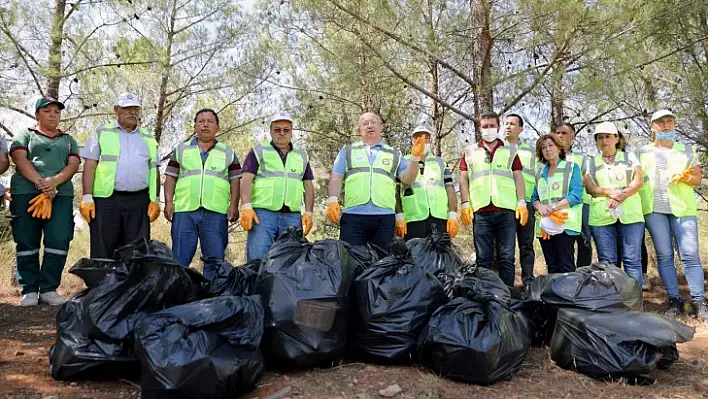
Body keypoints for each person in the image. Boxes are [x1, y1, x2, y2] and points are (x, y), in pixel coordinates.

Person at [9, 98, 80, 306]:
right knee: (26, 239)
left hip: (60, 194)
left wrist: (53, 183)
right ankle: (29, 290)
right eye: (47, 111)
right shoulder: (25, 134)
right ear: (37, 114)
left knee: (59, 238)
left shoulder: (68, 139)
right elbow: (19, 159)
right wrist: (41, 183)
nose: (52, 115)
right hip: (26, 192)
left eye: (56, 112)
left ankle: (49, 289)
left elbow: (73, 163)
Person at [638, 109, 706, 319]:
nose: (666, 125)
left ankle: (699, 301)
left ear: (674, 125)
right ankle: (674, 300)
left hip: (682, 209)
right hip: (654, 209)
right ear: (653, 127)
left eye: (670, 122)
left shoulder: (686, 150)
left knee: (690, 255)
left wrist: (684, 176)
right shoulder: (642, 152)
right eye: (661, 122)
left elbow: (697, 179)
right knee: (665, 256)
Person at [327, 112, 424, 250]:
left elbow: (408, 179)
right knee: (351, 262)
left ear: (381, 127)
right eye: (365, 123)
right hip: (353, 216)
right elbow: (336, 177)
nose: (369, 126)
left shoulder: (394, 153)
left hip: (384, 218)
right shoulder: (347, 151)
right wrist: (332, 200)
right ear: (359, 130)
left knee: (382, 264)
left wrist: (415, 158)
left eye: (373, 122)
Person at [80, 93, 161, 259]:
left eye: (135, 109)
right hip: (106, 201)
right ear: (116, 110)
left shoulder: (148, 138)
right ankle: (102, 284)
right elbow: (90, 165)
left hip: (139, 201)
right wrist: (87, 197)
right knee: (103, 249)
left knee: (137, 252)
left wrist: (155, 199)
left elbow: (154, 169)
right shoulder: (101, 132)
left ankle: (132, 285)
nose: (132, 112)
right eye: (126, 108)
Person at [163, 109, 241, 276]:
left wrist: (234, 205)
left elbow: (235, 181)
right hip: (185, 212)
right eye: (201, 121)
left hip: (215, 213)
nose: (205, 124)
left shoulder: (228, 152)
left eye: (210, 121)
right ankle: (177, 298)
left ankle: (211, 299)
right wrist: (169, 202)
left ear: (217, 127)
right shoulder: (181, 150)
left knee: (215, 262)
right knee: (179, 261)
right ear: (195, 126)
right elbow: (170, 177)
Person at [458, 111, 528, 286]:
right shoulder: (470, 151)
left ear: (498, 127)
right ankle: (487, 294)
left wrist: (521, 202)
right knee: (483, 259)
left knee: (506, 257)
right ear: (479, 128)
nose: (488, 129)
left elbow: (518, 177)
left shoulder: (510, 150)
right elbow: (463, 178)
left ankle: (508, 296)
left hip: (506, 210)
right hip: (481, 211)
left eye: (492, 125)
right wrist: (465, 203)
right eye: (485, 126)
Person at [240, 111, 315, 261]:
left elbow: (308, 184)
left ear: (291, 132)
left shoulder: (301, 156)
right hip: (262, 216)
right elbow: (246, 179)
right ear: (271, 131)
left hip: (292, 217)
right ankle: (256, 285)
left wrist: (309, 212)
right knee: (257, 260)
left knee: (291, 263)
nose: (282, 133)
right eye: (277, 129)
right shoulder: (258, 151)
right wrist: (246, 206)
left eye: (286, 130)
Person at [584, 122, 644, 286]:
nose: (604, 141)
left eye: (608, 137)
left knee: (632, 261)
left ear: (617, 138)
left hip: (630, 216)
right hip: (602, 218)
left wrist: (620, 196)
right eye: (600, 137)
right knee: (607, 263)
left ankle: (634, 303)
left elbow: (638, 181)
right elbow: (590, 188)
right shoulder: (591, 162)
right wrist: (610, 193)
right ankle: (612, 303)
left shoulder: (630, 157)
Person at [531, 134, 583, 274]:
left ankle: (568, 295)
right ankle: (554, 296)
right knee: (552, 265)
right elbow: (534, 198)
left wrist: (553, 208)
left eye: (551, 145)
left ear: (559, 148)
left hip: (565, 223)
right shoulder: (540, 173)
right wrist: (540, 206)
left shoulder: (572, 168)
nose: (547, 150)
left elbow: (576, 195)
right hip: (545, 226)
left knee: (566, 264)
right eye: (543, 147)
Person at [396, 126, 458, 240]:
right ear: (412, 140)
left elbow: (450, 189)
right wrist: (398, 215)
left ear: (431, 140)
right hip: (413, 218)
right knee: (415, 255)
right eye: (418, 137)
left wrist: (453, 214)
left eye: (426, 137)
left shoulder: (440, 162)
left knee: (441, 256)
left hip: (439, 218)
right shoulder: (403, 161)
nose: (422, 140)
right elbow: (395, 192)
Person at [504, 113, 536, 287]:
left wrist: (535, 202)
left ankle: (528, 281)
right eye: (506, 123)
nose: (508, 126)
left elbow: (538, 176)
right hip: (505, 205)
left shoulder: (531, 152)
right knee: (505, 248)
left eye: (513, 124)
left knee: (526, 245)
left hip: (526, 204)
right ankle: (507, 284)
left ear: (521, 129)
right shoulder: (498, 149)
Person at [554, 122, 592, 267]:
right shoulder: (549, 156)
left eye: (564, 133)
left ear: (573, 137)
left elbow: (587, 177)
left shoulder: (582, 157)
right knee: (560, 240)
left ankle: (583, 274)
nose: (560, 136)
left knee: (584, 240)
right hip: (557, 205)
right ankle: (562, 274)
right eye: (558, 133)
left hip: (580, 204)